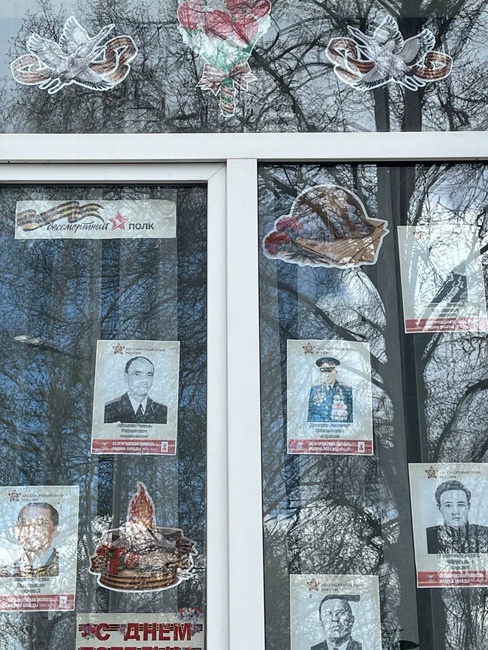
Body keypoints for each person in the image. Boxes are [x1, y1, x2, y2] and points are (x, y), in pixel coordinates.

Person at [426, 480, 488, 554]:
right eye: (448, 505)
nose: (455, 512)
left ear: (468, 506)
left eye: (460, 505)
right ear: (439, 508)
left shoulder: (484, 533)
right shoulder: (430, 536)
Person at [0, 503, 60, 577]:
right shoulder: (8, 572)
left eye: (40, 523)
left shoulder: (65, 566)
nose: (30, 530)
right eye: (24, 522)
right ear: (17, 528)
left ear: (54, 531)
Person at [104, 356, 167, 424]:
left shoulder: (162, 411)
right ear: (126, 377)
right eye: (137, 374)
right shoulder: (109, 409)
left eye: (149, 375)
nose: (144, 380)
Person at [307, 357, 353, 423]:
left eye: (329, 371)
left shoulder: (346, 390)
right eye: (323, 371)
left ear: (336, 371)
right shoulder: (314, 390)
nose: (326, 375)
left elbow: (350, 416)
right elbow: (310, 414)